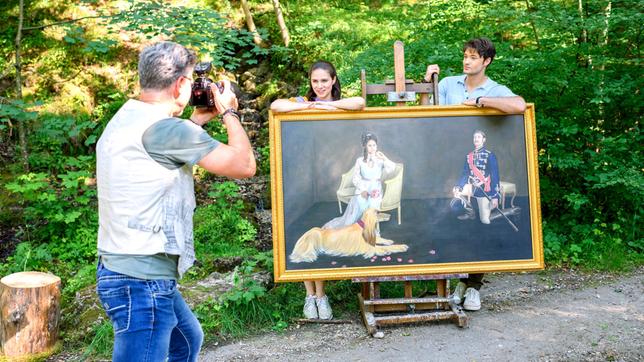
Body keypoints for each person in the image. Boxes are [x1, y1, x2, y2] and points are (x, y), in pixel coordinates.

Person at [96, 41, 255, 361]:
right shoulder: (167, 130)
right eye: (192, 81)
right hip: (142, 281)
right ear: (182, 84)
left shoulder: (129, 115)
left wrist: (195, 122)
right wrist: (229, 112)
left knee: (186, 339)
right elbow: (244, 166)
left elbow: (157, 153)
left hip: (122, 265)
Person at [424, 37, 525, 311]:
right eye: (465, 56)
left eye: (473, 57)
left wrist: (480, 101)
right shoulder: (447, 85)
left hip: (479, 164)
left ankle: (474, 286)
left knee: (481, 221)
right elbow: (426, 113)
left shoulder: (495, 89)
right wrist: (427, 83)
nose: (466, 61)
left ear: (486, 61)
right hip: (449, 162)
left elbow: (519, 105)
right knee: (453, 216)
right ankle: (459, 279)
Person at [270, 60, 365, 320]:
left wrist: (328, 105)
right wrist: (309, 105)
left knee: (326, 233)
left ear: (333, 80)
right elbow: (275, 106)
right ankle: (311, 295)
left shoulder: (341, 104)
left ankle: (320, 295)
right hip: (306, 179)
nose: (320, 86)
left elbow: (360, 103)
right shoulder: (301, 101)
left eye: (324, 80)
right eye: (315, 81)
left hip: (334, 178)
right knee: (306, 233)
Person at [323, 132, 395, 229]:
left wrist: (384, 157)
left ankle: (370, 230)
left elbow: (392, 169)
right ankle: (356, 228)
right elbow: (355, 178)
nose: (372, 148)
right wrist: (362, 190)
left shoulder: (380, 160)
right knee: (360, 202)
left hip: (376, 188)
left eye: (374, 145)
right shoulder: (360, 161)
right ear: (365, 146)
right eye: (370, 145)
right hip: (363, 187)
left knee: (372, 204)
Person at [451, 129, 500, 225]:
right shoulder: (469, 156)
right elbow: (465, 174)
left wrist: (495, 196)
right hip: (472, 187)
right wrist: (459, 186)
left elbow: (495, 176)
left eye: (479, 137)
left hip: (485, 190)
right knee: (457, 192)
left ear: (484, 139)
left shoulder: (489, 155)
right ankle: (470, 213)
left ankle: (512, 211)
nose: (476, 139)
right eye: (474, 137)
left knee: (485, 220)